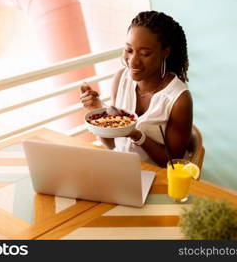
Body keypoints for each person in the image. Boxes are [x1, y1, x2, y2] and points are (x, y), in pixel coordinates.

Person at [80, 11, 192, 168]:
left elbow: (173, 163)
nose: (133, 62)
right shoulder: (121, 79)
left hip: (158, 179)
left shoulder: (179, 99)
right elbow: (111, 144)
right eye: (129, 50)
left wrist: (136, 134)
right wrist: (97, 114)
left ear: (165, 53)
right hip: (121, 170)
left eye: (145, 53)